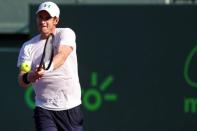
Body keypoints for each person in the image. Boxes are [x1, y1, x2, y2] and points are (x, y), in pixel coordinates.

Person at [17, 1, 83, 131]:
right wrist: (29, 76)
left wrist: (45, 67)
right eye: (40, 17)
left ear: (56, 20)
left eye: (47, 18)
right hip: (44, 109)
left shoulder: (66, 33)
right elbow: (21, 79)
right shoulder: (28, 47)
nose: (43, 21)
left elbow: (62, 56)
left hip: (71, 108)